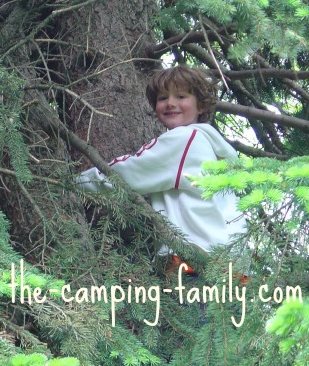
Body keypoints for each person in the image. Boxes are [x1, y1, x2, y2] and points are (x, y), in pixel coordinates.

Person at [76, 65, 247, 276]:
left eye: (181, 96)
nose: (171, 103)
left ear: (201, 106)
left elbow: (132, 172)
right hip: (228, 266)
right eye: (162, 98)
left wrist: (76, 183)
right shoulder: (211, 146)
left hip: (195, 260)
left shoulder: (185, 138)